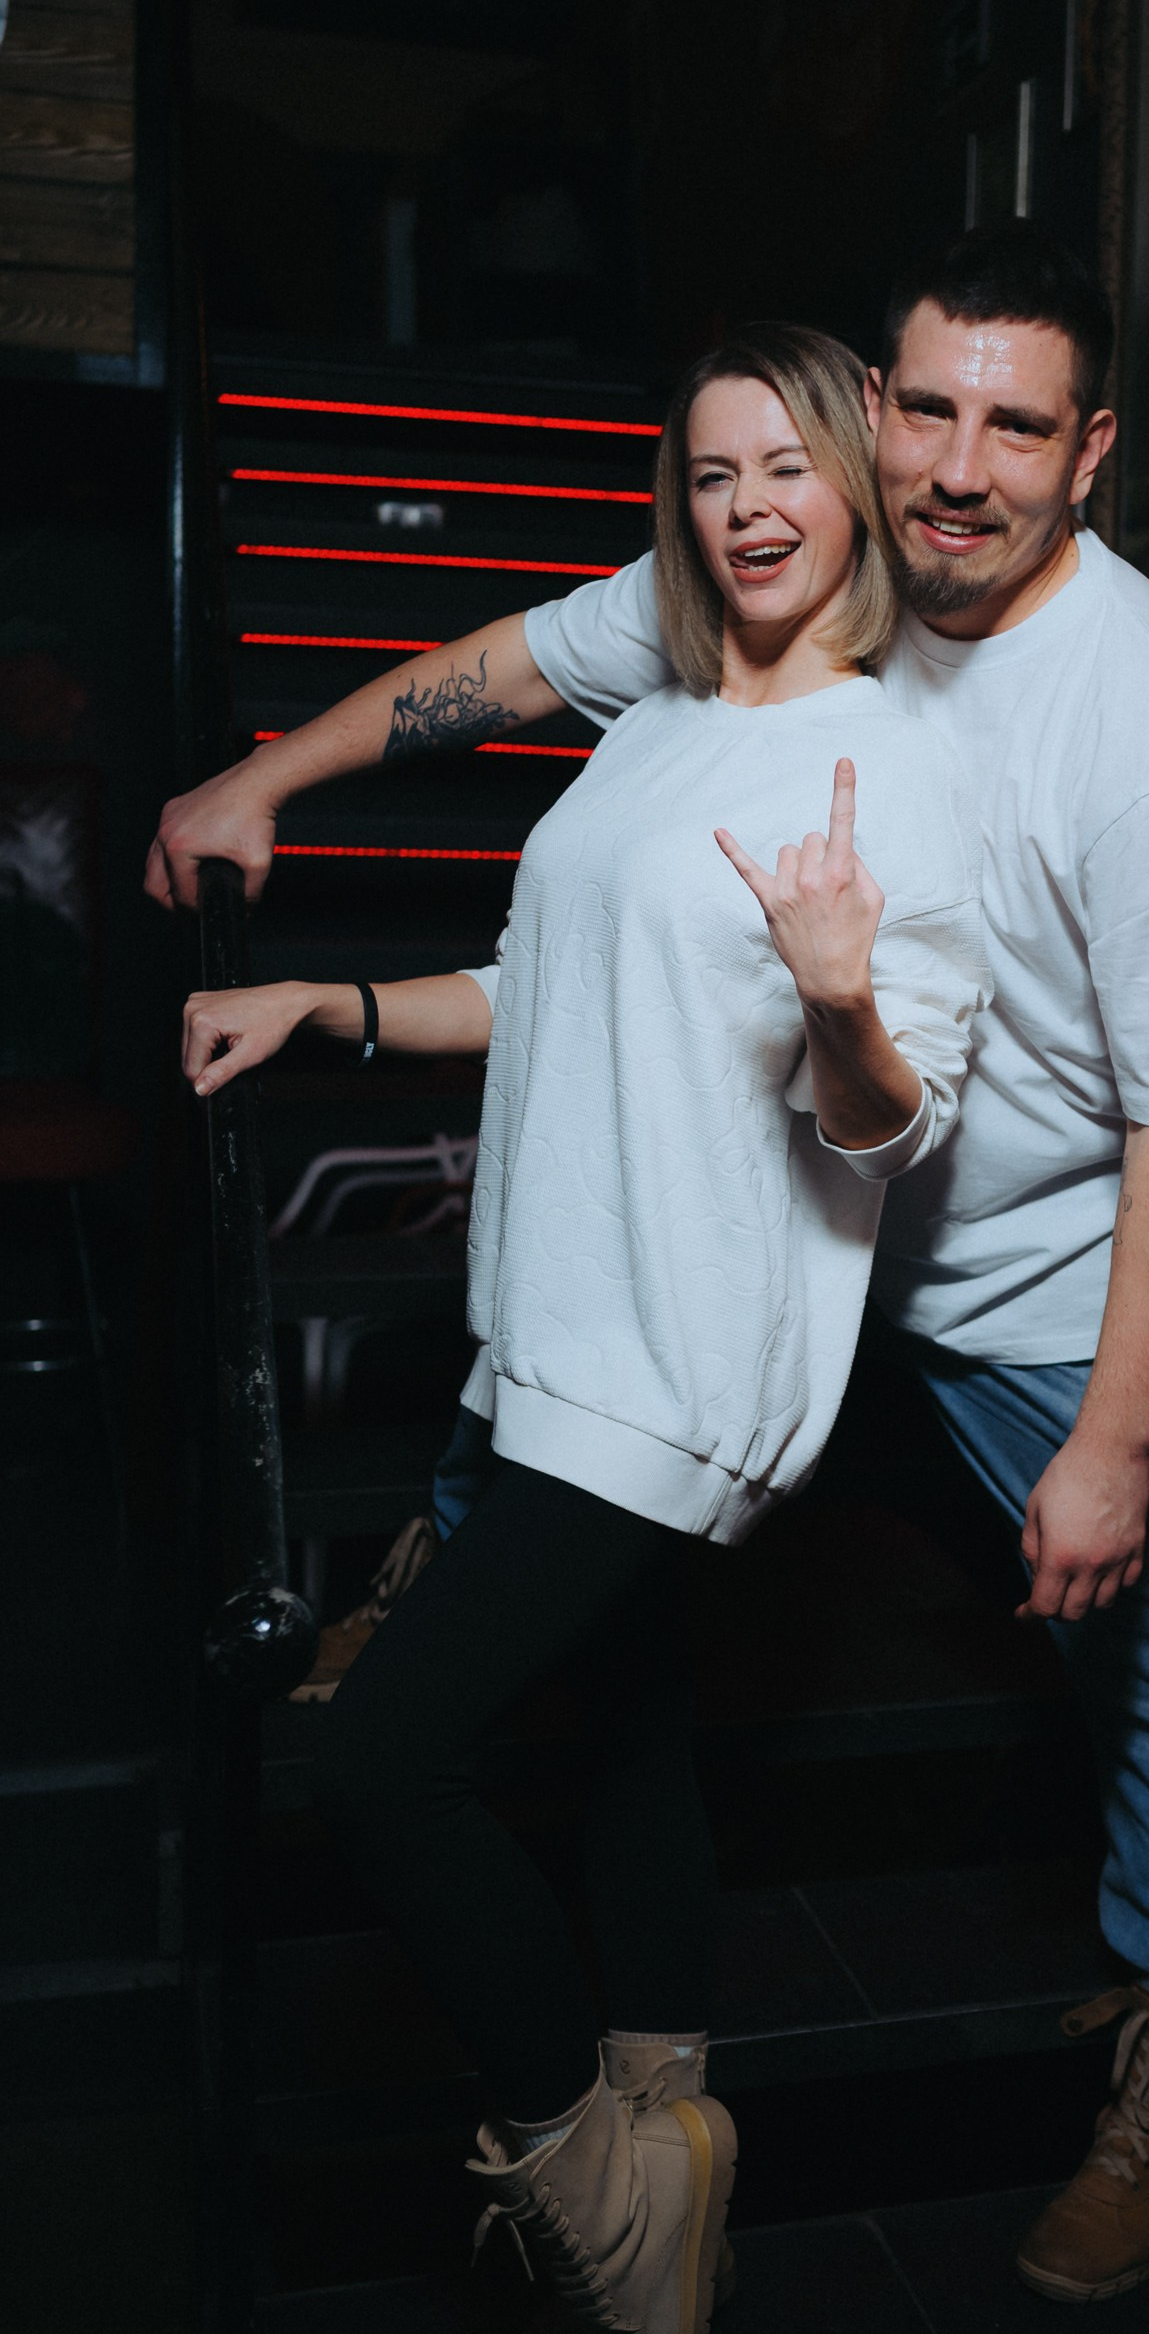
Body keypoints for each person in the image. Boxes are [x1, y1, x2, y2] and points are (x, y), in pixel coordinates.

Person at [153, 225, 1149, 2305]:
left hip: (1023, 1274)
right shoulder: (778, 572)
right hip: (780, 1223)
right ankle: (475, 1611)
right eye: (924, 409)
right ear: (871, 410)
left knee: (1147, 1655)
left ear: (1091, 451)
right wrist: (273, 774)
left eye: (1015, 428)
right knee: (603, 1608)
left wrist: (1114, 1435)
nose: (956, 466)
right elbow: (519, 674)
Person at [177, 326, 988, 2334]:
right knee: (628, 1728)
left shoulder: (908, 766)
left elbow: (892, 1128)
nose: (748, 509)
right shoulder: (662, 711)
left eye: (784, 467)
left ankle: (588, 2182)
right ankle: (660, 2108)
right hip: (551, 1322)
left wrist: (838, 998)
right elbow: (544, 979)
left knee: (382, 1768)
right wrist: (334, 1009)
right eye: (711, 474)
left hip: (677, 1369)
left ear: (857, 479)